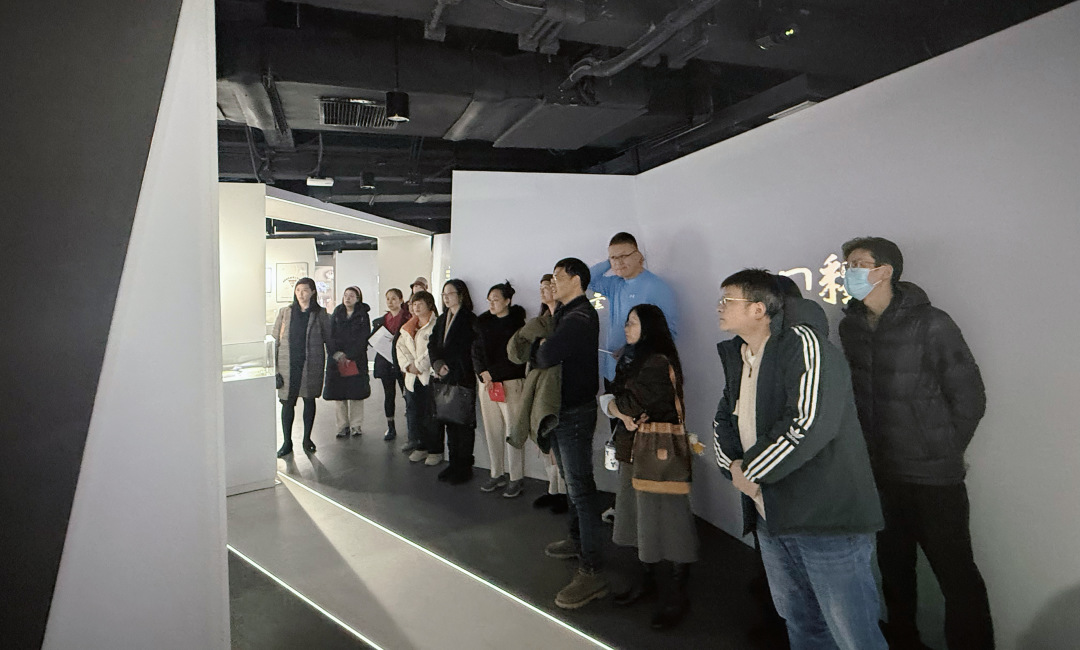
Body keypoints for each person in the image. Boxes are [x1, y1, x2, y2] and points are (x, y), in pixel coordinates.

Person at [713, 269, 886, 650]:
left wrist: (749, 472)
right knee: (802, 622)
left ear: (759, 308)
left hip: (826, 518)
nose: (719, 307)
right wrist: (733, 468)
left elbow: (808, 423)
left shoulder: (805, 344)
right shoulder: (741, 355)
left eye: (728, 300)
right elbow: (724, 418)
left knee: (854, 634)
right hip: (772, 515)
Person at [838, 237, 991, 650]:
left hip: (934, 479)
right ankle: (905, 641)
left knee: (957, 576)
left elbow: (970, 397)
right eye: (846, 265)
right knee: (894, 571)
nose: (848, 272)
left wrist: (941, 450)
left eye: (857, 264)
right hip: (881, 474)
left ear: (885, 271)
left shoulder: (931, 323)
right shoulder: (851, 326)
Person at [601, 304, 698, 630]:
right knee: (640, 518)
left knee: (671, 520)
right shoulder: (635, 359)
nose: (626, 328)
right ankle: (650, 581)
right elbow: (623, 401)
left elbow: (628, 404)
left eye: (633, 323)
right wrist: (616, 405)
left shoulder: (656, 362)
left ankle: (678, 594)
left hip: (657, 454)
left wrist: (611, 405)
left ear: (650, 328)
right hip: (636, 450)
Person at [589, 232, 679, 523]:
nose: (618, 263)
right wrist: (611, 262)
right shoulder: (614, 283)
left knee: (642, 447)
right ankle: (625, 507)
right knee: (622, 445)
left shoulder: (656, 287)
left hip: (642, 380)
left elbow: (669, 334)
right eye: (613, 257)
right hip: (613, 374)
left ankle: (643, 512)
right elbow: (586, 279)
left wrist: (634, 351)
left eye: (624, 256)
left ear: (640, 255)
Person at [536, 258, 606, 610]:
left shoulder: (580, 315)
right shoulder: (567, 312)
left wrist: (540, 346)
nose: (553, 282)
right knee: (572, 483)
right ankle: (578, 541)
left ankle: (592, 570)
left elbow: (547, 353)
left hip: (576, 412)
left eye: (558, 277)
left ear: (576, 280)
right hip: (566, 410)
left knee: (580, 488)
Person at [472, 281, 528, 497]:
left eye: (496, 299)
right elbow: (475, 351)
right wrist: (482, 372)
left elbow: (517, 357)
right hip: (487, 383)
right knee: (492, 430)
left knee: (513, 431)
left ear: (507, 301)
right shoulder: (483, 323)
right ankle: (497, 472)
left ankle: (516, 477)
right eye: (489, 300)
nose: (491, 304)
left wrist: (493, 372)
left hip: (510, 382)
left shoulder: (517, 324)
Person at [273, 278, 332, 457]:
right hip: (288, 364)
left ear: (312, 292)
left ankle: (307, 439)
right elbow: (275, 340)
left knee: (309, 400)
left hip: (311, 363)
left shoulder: (320, 313)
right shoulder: (285, 312)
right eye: (298, 290)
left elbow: (329, 338)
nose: (301, 293)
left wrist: (336, 356)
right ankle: (287, 442)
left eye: (305, 290)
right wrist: (274, 368)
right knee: (287, 403)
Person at [428, 279, 479, 484]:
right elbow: (432, 344)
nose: (446, 298)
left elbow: (470, 350)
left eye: (450, 293)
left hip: (462, 377)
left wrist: (453, 368)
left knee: (463, 424)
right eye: (444, 294)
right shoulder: (442, 319)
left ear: (461, 295)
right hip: (444, 376)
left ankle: (464, 467)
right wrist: (438, 364)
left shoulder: (470, 319)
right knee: (448, 420)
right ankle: (453, 463)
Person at [530, 274, 568, 513]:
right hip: (540, 384)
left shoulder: (565, 319)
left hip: (559, 385)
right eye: (541, 287)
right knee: (545, 440)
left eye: (548, 286)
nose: (544, 291)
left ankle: (563, 492)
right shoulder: (541, 320)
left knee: (559, 442)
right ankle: (552, 488)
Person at [323, 286, 372, 438]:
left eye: (351, 295)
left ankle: (356, 425)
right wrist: (336, 353)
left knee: (356, 393)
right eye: (346, 295)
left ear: (358, 298)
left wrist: (350, 354)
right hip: (338, 359)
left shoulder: (363, 315)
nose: (348, 298)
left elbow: (364, 337)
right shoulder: (337, 313)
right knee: (339, 394)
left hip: (356, 359)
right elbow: (330, 335)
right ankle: (342, 425)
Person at [396, 291, 437, 459]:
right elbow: (400, 348)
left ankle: (434, 450)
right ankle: (420, 446)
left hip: (429, 375)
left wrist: (419, 366)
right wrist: (408, 365)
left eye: (420, 304)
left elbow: (433, 349)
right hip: (412, 377)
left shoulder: (435, 325)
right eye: (414, 304)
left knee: (430, 415)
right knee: (415, 413)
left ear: (429, 305)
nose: (416, 307)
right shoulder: (408, 327)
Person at [372, 288, 408, 441]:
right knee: (389, 394)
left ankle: (412, 427)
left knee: (407, 394)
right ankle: (390, 427)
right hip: (385, 361)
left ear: (401, 300)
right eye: (388, 299)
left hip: (402, 361)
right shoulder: (381, 320)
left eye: (394, 298)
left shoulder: (408, 318)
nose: (390, 302)